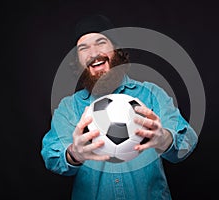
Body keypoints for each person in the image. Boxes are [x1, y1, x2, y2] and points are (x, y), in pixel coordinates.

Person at [41, 14, 198, 200]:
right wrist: (73, 154)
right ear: (77, 61)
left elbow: (187, 139)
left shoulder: (151, 94)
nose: (93, 53)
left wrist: (164, 139)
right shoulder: (69, 108)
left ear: (116, 50)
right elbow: (52, 155)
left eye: (101, 42)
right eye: (83, 48)